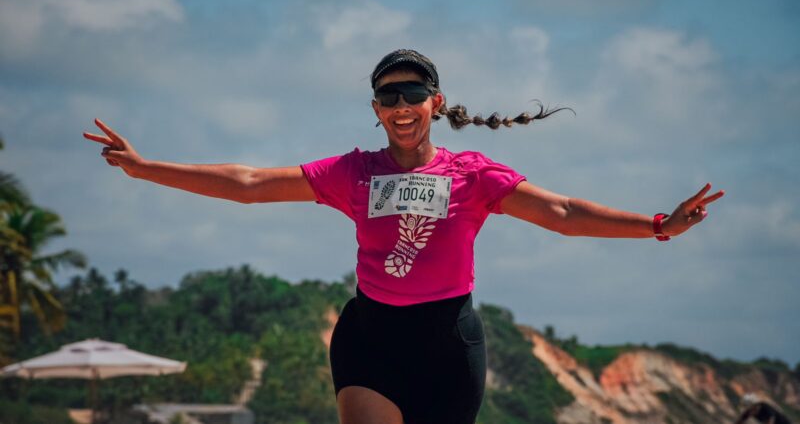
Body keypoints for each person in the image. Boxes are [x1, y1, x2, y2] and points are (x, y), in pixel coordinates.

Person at [83, 49, 724, 424]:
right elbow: (250, 182)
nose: (401, 103)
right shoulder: (354, 172)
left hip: (449, 344)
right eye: (388, 95)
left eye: (413, 92)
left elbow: (559, 211)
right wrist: (144, 168)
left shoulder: (473, 174)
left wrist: (658, 227)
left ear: (435, 103)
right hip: (372, 340)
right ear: (375, 109)